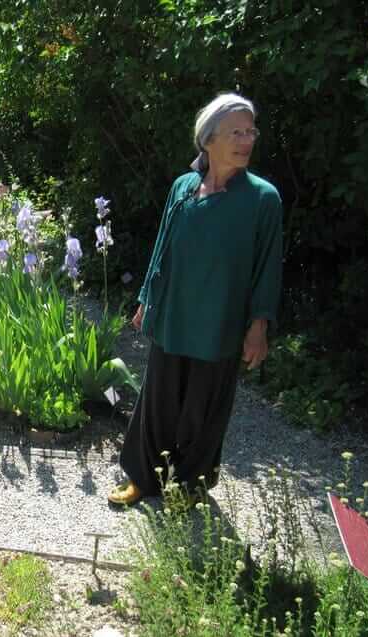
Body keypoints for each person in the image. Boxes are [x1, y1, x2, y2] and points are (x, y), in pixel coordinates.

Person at [108, 93, 283, 506]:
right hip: (174, 313)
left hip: (220, 321)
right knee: (157, 401)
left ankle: (188, 486)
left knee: (203, 409)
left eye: (250, 131)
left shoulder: (262, 199)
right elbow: (163, 247)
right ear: (208, 139)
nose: (246, 140)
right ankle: (143, 479)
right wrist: (147, 297)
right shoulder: (183, 188)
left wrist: (259, 325)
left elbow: (267, 267)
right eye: (236, 132)